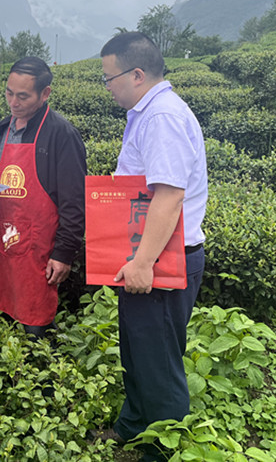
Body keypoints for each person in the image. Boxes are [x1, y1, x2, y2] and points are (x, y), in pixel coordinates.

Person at [95, 31, 207, 459]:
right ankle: (133, 427)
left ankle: (162, 450)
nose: (107, 87)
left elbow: (169, 195)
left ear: (137, 74)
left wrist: (143, 262)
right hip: (149, 254)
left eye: (109, 78)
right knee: (139, 351)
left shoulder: (162, 117)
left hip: (161, 259)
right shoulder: (146, 114)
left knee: (159, 361)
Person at [0, 57, 86, 339]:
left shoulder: (62, 134)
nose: (13, 102)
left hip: (38, 249)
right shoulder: (2, 129)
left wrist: (63, 254)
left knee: (34, 330)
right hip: (0, 241)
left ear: (45, 93)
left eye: (22, 96)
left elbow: (74, 203)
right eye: (9, 93)